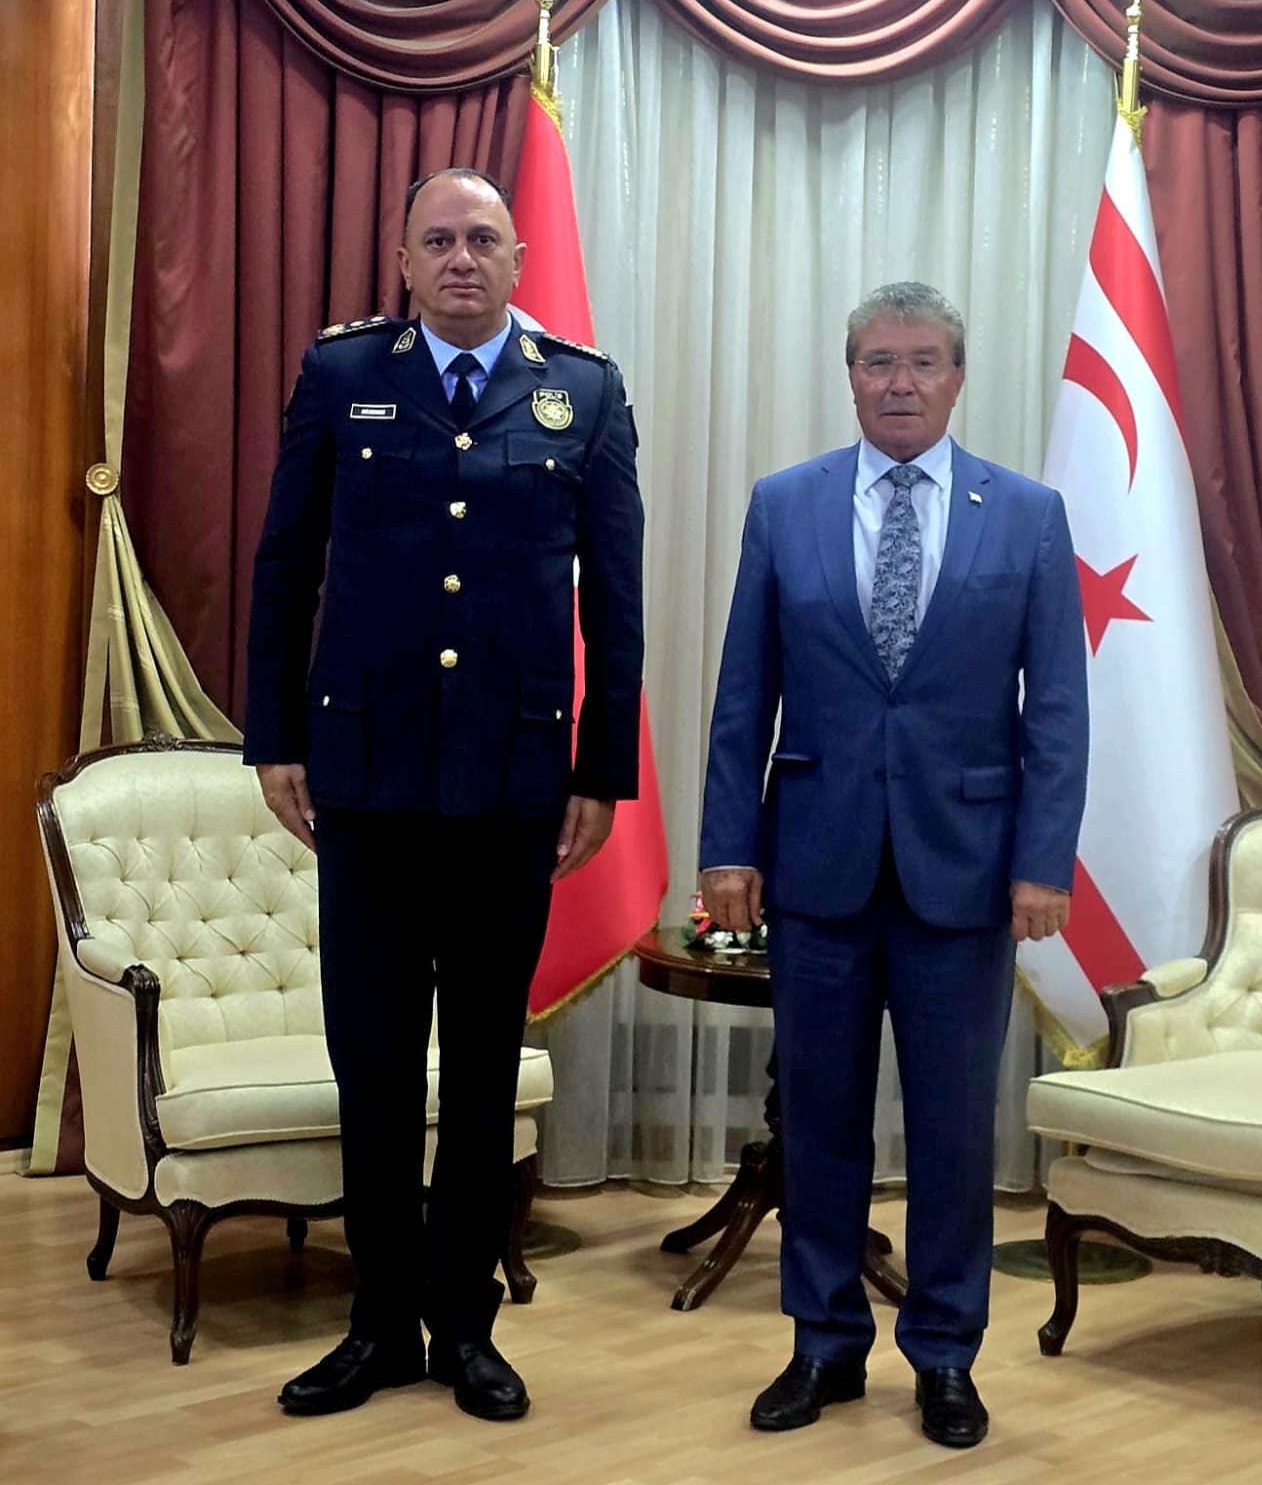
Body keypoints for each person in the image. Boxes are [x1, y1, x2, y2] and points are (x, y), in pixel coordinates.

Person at [244, 168, 644, 1421]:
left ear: (517, 259)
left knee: (478, 1069)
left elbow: (614, 598)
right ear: (404, 261)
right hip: (365, 779)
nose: (462, 258)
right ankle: (377, 1326)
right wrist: (274, 738)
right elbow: (285, 563)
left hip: (512, 784)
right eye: (439, 241)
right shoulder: (340, 376)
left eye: (482, 239)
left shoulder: (582, 391)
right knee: (370, 1061)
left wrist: (601, 770)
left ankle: (465, 1327)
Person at [699, 282, 1087, 1450]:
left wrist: (1042, 862)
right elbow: (742, 696)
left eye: (923, 360)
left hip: (963, 875)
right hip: (815, 870)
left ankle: (946, 1355)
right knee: (817, 1123)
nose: (901, 381)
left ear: (957, 377)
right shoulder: (785, 504)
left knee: (954, 1131)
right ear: (851, 375)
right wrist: (727, 847)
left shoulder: (1026, 516)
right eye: (879, 361)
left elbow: (1055, 713)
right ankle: (823, 1344)